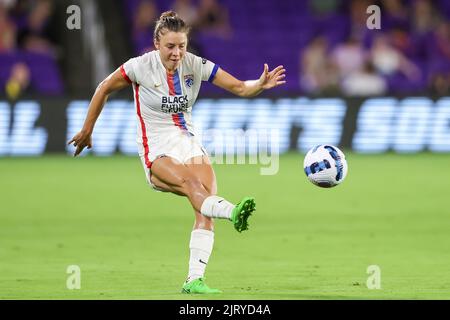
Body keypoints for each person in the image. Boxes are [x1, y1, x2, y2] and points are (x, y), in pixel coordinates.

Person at [68, 11, 286, 294]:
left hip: (188, 142)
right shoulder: (139, 67)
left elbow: (238, 87)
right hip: (156, 147)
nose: (176, 52)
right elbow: (103, 87)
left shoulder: (195, 65)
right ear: (156, 43)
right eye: (170, 46)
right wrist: (87, 129)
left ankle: (194, 280)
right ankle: (233, 213)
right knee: (193, 186)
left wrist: (259, 84)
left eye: (181, 46)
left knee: (204, 206)